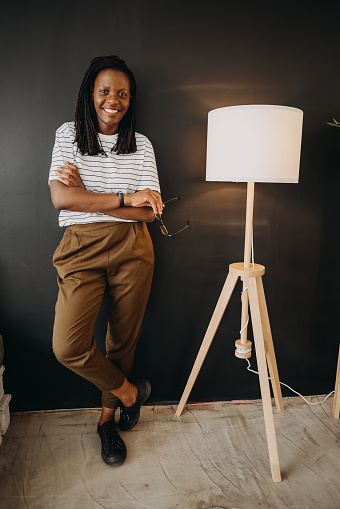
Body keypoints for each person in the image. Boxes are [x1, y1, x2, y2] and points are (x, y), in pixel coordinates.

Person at [48, 55, 163, 467]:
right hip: (80, 247)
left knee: (121, 340)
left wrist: (93, 196)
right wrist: (124, 199)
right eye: (104, 91)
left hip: (134, 246)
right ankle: (130, 393)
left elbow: (149, 212)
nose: (113, 100)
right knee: (68, 345)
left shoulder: (142, 144)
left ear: (130, 100)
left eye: (122, 93)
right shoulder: (69, 135)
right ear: (90, 94)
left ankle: (107, 421)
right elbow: (62, 199)